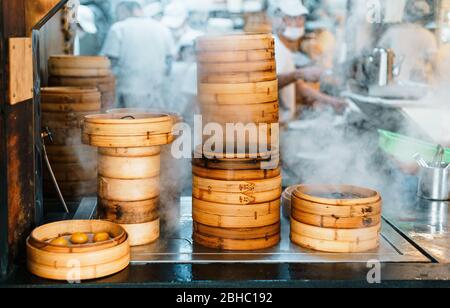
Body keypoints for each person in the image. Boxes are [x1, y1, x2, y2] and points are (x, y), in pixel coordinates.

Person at [273, 0, 345, 123]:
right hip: (275, 123)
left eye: (301, 18)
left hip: (287, 121)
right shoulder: (272, 47)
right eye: (292, 18)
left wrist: (331, 101)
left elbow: (296, 85)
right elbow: (270, 84)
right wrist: (300, 73)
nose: (298, 23)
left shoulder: (287, 49)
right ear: (279, 20)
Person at [100, 1, 175, 109]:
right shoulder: (163, 29)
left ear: (123, 10)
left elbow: (108, 63)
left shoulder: (119, 28)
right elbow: (169, 65)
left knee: (130, 124)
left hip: (127, 95)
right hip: (156, 94)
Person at [378, 0, 438, 83]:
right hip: (418, 85)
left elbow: (379, 55)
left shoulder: (392, 32)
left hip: (393, 83)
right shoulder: (427, 36)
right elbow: (435, 64)